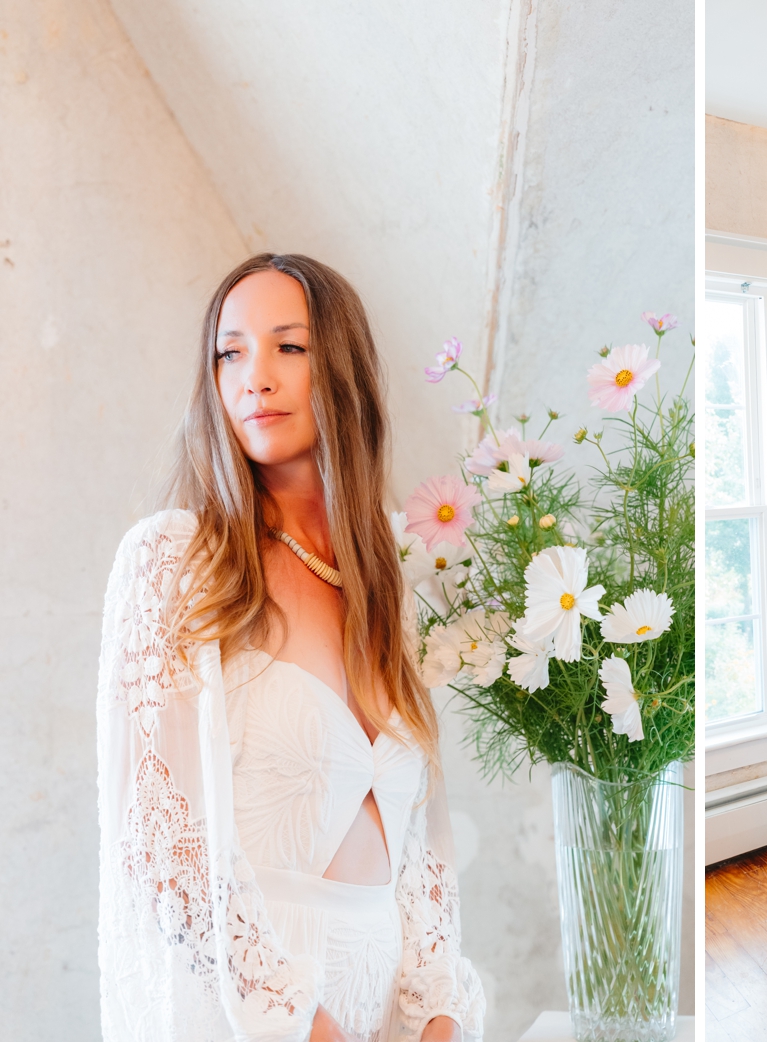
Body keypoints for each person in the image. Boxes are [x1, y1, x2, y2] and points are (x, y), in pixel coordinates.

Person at [96, 254, 485, 1042]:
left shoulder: (387, 581)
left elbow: (420, 855)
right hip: (249, 1016)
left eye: (289, 347)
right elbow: (164, 847)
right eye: (229, 352)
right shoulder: (175, 561)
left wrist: (438, 1011)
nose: (255, 378)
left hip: (385, 1014)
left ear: (339, 369)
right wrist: (300, 1025)